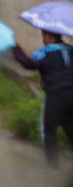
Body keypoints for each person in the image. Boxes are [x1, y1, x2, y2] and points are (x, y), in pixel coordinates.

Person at [12, 30, 73, 170]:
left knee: (49, 130)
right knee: (70, 127)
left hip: (56, 96)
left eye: (43, 36)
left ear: (49, 37)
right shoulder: (71, 49)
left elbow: (28, 63)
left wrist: (15, 46)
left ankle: (53, 168)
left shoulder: (45, 52)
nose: (43, 40)